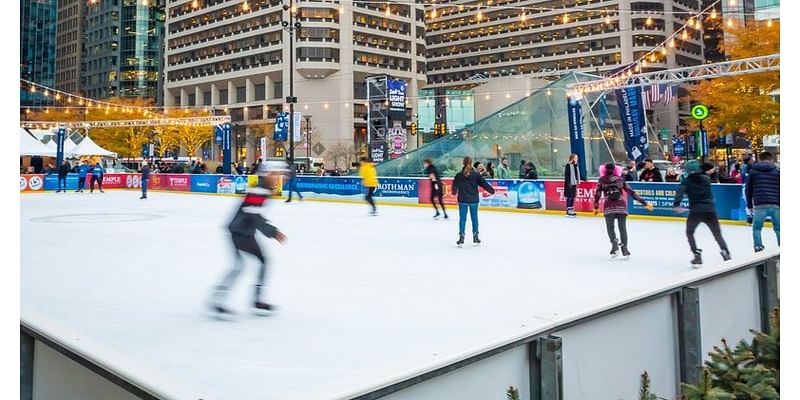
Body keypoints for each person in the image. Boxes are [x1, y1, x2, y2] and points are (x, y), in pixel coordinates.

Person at [210, 161, 288, 317]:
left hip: (244, 231)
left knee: (257, 263)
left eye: (280, 174)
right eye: (276, 173)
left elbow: (253, 214)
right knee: (240, 266)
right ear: (267, 174)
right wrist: (273, 232)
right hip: (240, 231)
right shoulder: (259, 190)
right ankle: (219, 301)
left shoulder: (263, 189)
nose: (280, 177)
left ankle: (255, 300)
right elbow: (253, 214)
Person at [673, 160, 731, 268]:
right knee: (717, 234)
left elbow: (679, 193)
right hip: (710, 210)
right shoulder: (706, 179)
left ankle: (697, 254)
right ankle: (725, 252)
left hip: (696, 211)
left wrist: (677, 205)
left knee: (690, 232)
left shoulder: (686, 181)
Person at [594, 163, 653, 259]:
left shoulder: (602, 181)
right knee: (622, 228)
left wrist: (596, 207)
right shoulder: (620, 180)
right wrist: (644, 203)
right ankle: (625, 250)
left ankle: (614, 246)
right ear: (616, 170)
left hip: (609, 207)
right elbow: (632, 192)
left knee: (610, 227)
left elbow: (597, 194)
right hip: (621, 206)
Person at [451, 156, 496, 247]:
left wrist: (454, 191)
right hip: (473, 200)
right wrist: (492, 190)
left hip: (462, 199)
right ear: (471, 163)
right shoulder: (476, 175)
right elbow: (484, 184)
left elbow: (454, 188)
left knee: (462, 219)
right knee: (474, 218)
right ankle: (475, 236)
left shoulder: (459, 175)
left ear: (463, 163)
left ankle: (461, 236)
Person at [746, 151, 780, 252]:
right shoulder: (777, 171)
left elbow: (748, 189)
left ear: (759, 159)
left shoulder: (753, 171)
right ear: (771, 159)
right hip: (776, 204)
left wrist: (749, 205)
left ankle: (758, 246)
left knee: (757, 228)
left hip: (760, 204)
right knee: (779, 229)